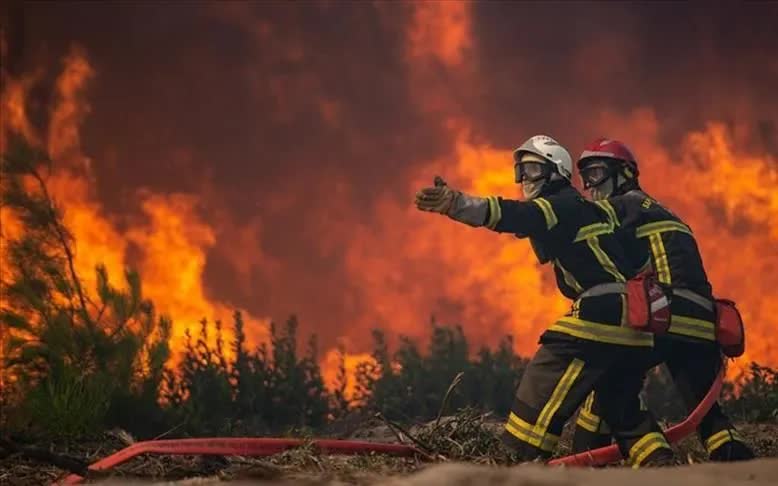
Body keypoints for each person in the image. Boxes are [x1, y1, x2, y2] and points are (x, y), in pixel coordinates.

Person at [415, 134, 675, 466]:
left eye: (534, 169)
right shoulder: (595, 211)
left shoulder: (559, 203)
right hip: (635, 325)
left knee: (542, 378)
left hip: (602, 313)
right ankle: (659, 463)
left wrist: (456, 203)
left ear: (557, 173)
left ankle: (518, 461)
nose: (525, 179)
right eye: (521, 171)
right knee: (620, 404)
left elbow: (513, 214)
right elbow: (639, 261)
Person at [573, 138, 755, 462]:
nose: (590, 185)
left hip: (665, 314)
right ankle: (731, 453)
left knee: (609, 380)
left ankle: (649, 454)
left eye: (596, 173)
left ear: (624, 173)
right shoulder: (661, 210)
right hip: (702, 319)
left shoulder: (621, 207)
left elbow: (586, 236)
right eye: (585, 177)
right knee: (702, 401)